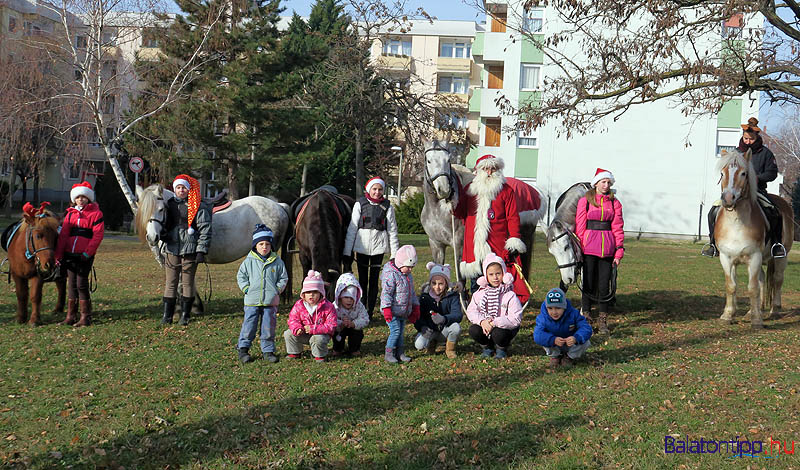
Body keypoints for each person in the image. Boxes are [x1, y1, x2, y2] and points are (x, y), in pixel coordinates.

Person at [702, 117, 786, 258]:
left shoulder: (766, 153)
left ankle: (775, 244)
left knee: (774, 212)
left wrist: (757, 178)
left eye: (750, 139)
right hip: (735, 191)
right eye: (745, 138)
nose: (747, 142)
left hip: (757, 190)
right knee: (712, 211)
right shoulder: (735, 153)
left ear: (756, 137)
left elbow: (772, 173)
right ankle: (713, 244)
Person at [453, 154, 529, 304]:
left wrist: (514, 238)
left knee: (496, 279)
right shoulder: (470, 190)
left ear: (498, 170)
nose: (489, 172)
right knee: (476, 279)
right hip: (474, 244)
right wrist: (452, 204)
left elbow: (513, 217)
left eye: (493, 168)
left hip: (496, 244)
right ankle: (477, 308)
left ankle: (497, 307)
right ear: (479, 170)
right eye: (486, 168)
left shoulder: (506, 191)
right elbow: (461, 213)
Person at [575, 168, 624, 335]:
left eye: (608, 182)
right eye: (603, 182)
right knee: (587, 283)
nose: (606, 185)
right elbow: (580, 226)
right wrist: (580, 249)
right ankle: (586, 317)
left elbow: (617, 227)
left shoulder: (615, 203)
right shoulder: (585, 201)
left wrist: (618, 251)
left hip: (608, 249)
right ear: (596, 183)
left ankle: (602, 319)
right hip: (588, 248)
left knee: (604, 285)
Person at [343, 176, 400, 320]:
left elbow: (392, 231)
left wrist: (394, 255)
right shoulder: (359, 204)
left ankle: (370, 311)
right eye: (374, 189)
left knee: (374, 281)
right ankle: (361, 308)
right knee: (362, 280)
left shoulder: (387, 207)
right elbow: (352, 228)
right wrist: (347, 251)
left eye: (380, 189)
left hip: (378, 249)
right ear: (369, 189)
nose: (377, 192)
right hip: (361, 248)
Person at [160, 174, 212, 326]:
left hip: (190, 249)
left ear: (188, 190)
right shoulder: (169, 204)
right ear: (174, 189)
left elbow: (205, 229)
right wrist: (163, 234)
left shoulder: (197, 206)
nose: (181, 190)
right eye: (178, 187)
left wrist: (201, 250)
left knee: (187, 282)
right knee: (170, 282)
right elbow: (163, 223)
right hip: (171, 248)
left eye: (183, 188)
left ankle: (185, 314)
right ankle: (167, 315)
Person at [235, 224, 288, 364]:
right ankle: (243, 349)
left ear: (271, 246)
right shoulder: (248, 261)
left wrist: (277, 289)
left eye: (267, 244)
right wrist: (246, 288)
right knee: (249, 325)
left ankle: (268, 350)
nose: (264, 247)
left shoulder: (277, 262)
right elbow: (241, 276)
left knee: (268, 327)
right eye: (261, 244)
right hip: (252, 301)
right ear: (255, 246)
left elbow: (283, 278)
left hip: (270, 302)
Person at [55, 181, 104, 327]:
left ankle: (85, 317)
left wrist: (88, 253)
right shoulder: (70, 214)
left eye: (83, 197)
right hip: (69, 254)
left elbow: (97, 236)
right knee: (71, 284)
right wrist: (58, 254)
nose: (80, 199)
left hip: (85, 255)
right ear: (73, 199)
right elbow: (63, 235)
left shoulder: (96, 214)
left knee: (81, 284)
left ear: (89, 198)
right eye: (78, 197)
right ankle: (70, 316)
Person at [465, 253, 523, 359]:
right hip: (486, 324)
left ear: (504, 274)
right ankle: (487, 347)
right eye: (491, 275)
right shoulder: (479, 293)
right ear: (485, 276)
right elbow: (471, 311)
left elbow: (516, 319)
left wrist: (494, 323)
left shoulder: (509, 294)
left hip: (503, 327)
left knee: (498, 333)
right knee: (474, 329)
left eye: (498, 274)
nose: (495, 278)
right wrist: (483, 322)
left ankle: (501, 348)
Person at [284, 270, 337, 362]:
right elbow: (293, 319)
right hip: (304, 333)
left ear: (321, 293)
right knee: (288, 333)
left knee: (318, 339)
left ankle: (320, 355)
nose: (311, 295)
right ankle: (295, 352)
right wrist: (297, 328)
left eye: (315, 292)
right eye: (308, 292)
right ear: (303, 294)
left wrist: (314, 328)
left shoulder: (328, 307)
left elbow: (331, 326)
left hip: (321, 334)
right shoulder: (299, 305)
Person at [380, 244, 420, 364]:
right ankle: (389, 353)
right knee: (395, 331)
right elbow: (386, 293)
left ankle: (400, 352)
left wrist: (415, 306)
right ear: (401, 263)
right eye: (408, 267)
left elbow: (411, 293)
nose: (410, 270)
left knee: (400, 333)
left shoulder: (408, 276)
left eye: (412, 267)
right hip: (392, 312)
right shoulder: (391, 275)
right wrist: (386, 309)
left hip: (403, 311)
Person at [533, 288, 592, 369]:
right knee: (544, 339)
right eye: (550, 308)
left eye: (558, 308)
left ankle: (569, 357)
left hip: (571, 344)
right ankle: (555, 356)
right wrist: (553, 340)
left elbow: (586, 328)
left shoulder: (573, 314)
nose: (554, 312)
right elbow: (537, 335)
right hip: (554, 345)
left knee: (586, 341)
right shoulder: (543, 317)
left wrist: (576, 338)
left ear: (564, 307)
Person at [413, 262, 462, 358]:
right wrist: (422, 327)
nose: (437, 287)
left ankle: (450, 349)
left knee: (456, 327)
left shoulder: (452, 296)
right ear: (430, 282)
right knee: (419, 344)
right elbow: (418, 317)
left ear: (446, 284)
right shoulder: (425, 297)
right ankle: (431, 344)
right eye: (434, 283)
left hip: (445, 329)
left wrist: (444, 319)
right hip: (430, 330)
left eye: (441, 284)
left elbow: (458, 314)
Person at [332, 272, 369, 356]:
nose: (349, 300)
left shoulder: (359, 306)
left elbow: (365, 319)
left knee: (357, 333)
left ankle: (354, 349)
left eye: (352, 298)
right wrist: (340, 324)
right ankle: (338, 348)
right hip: (340, 328)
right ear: (340, 297)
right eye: (346, 297)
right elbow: (330, 319)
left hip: (353, 327)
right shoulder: (335, 306)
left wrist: (353, 324)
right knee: (336, 334)